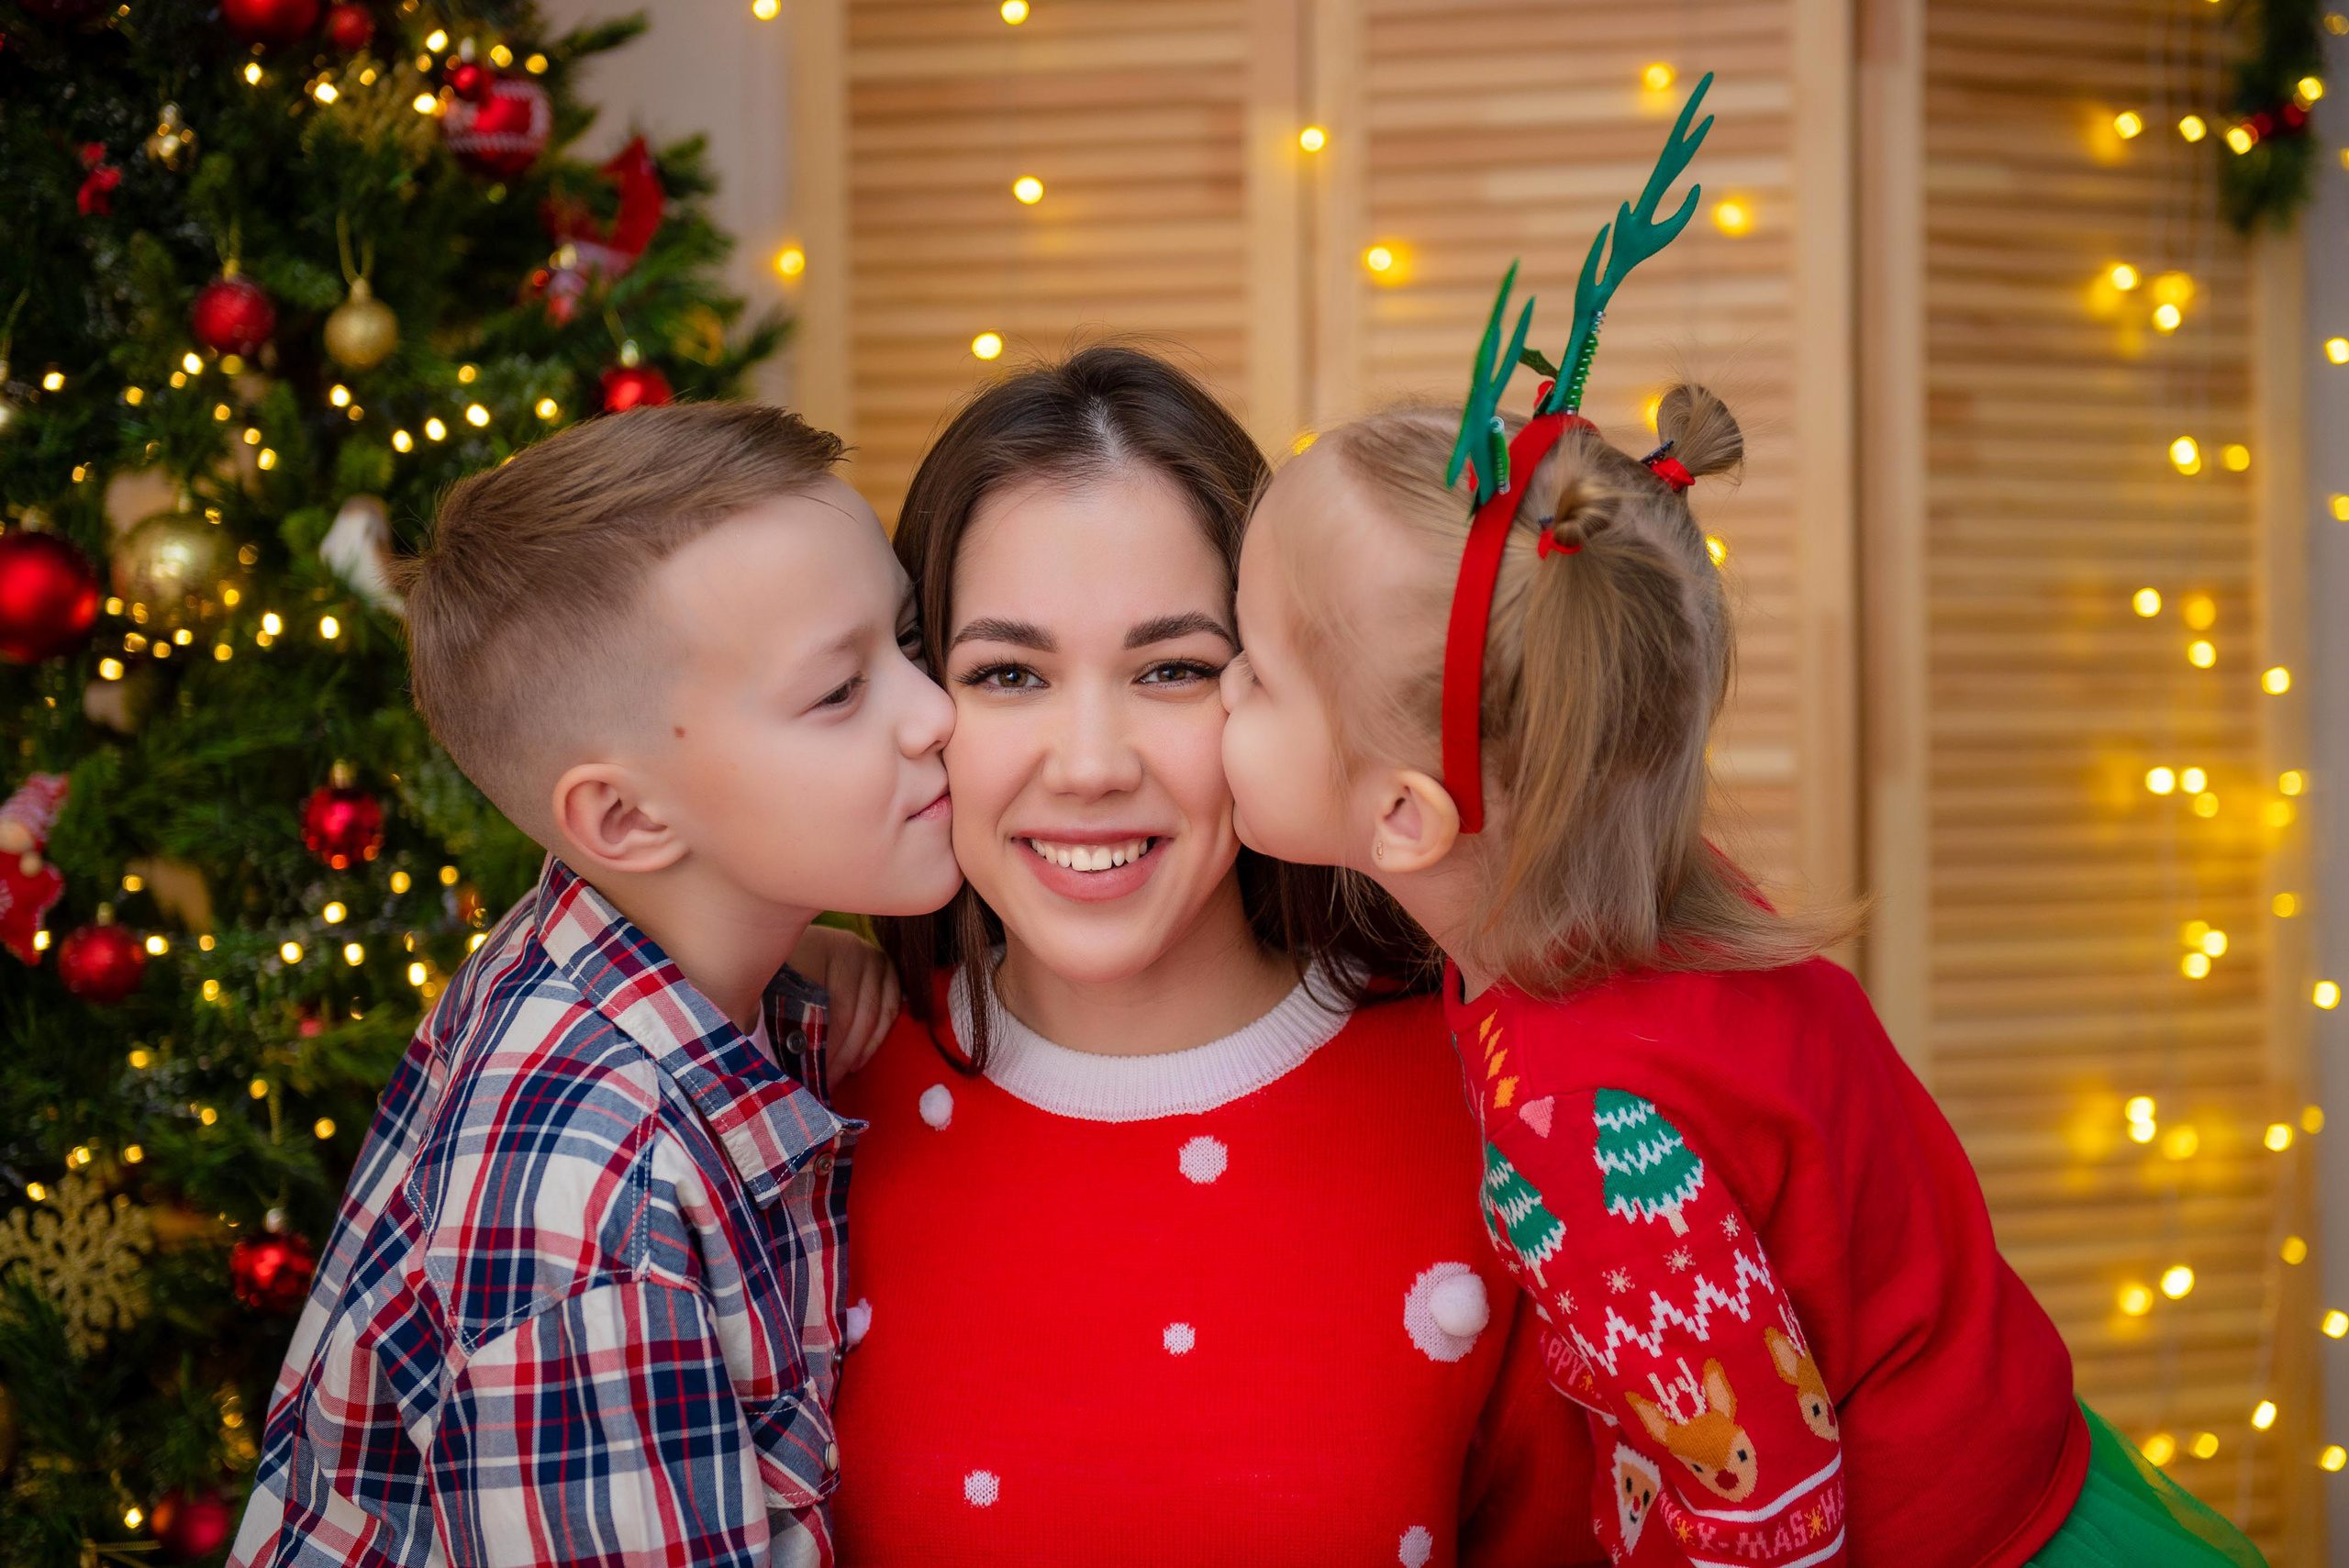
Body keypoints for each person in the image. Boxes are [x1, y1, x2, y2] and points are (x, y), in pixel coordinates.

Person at [1217, 366, 2270, 1561]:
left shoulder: (1581, 1129)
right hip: (2021, 1458)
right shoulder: (1655, 889)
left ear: (1405, 816)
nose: (1219, 692)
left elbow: (1769, 1513)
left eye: (1254, 671)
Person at [830, 345, 1599, 1567]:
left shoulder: (1501, 1106)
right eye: (1008, 673)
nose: (1090, 764)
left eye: (1175, 670)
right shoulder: (807, 1096)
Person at [229, 403, 949, 1568]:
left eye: (909, 641)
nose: (937, 712)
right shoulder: (587, 1195)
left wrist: (800, 951)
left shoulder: (675, 956)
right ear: (623, 816)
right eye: (839, 692)